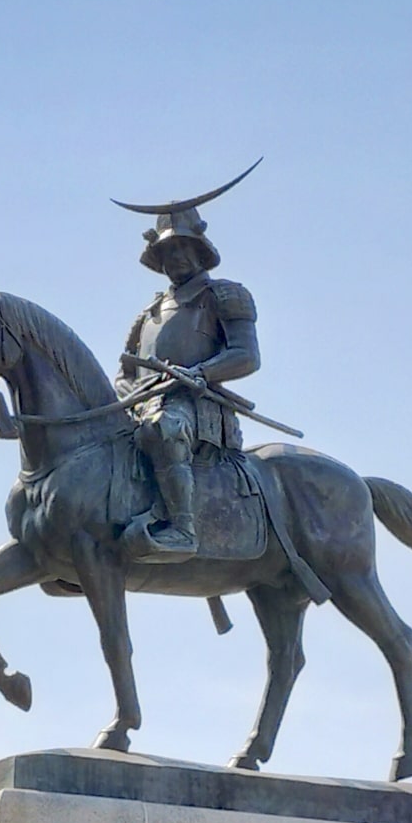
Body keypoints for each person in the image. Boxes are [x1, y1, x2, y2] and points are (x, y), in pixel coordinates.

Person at [112, 164, 263, 562]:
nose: (175, 257)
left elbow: (247, 356)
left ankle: (182, 528)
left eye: (182, 248)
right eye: (167, 251)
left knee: (165, 428)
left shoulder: (225, 295)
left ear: (199, 250)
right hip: (142, 407)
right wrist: (129, 394)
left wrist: (199, 373)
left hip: (196, 408)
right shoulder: (147, 313)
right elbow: (124, 372)